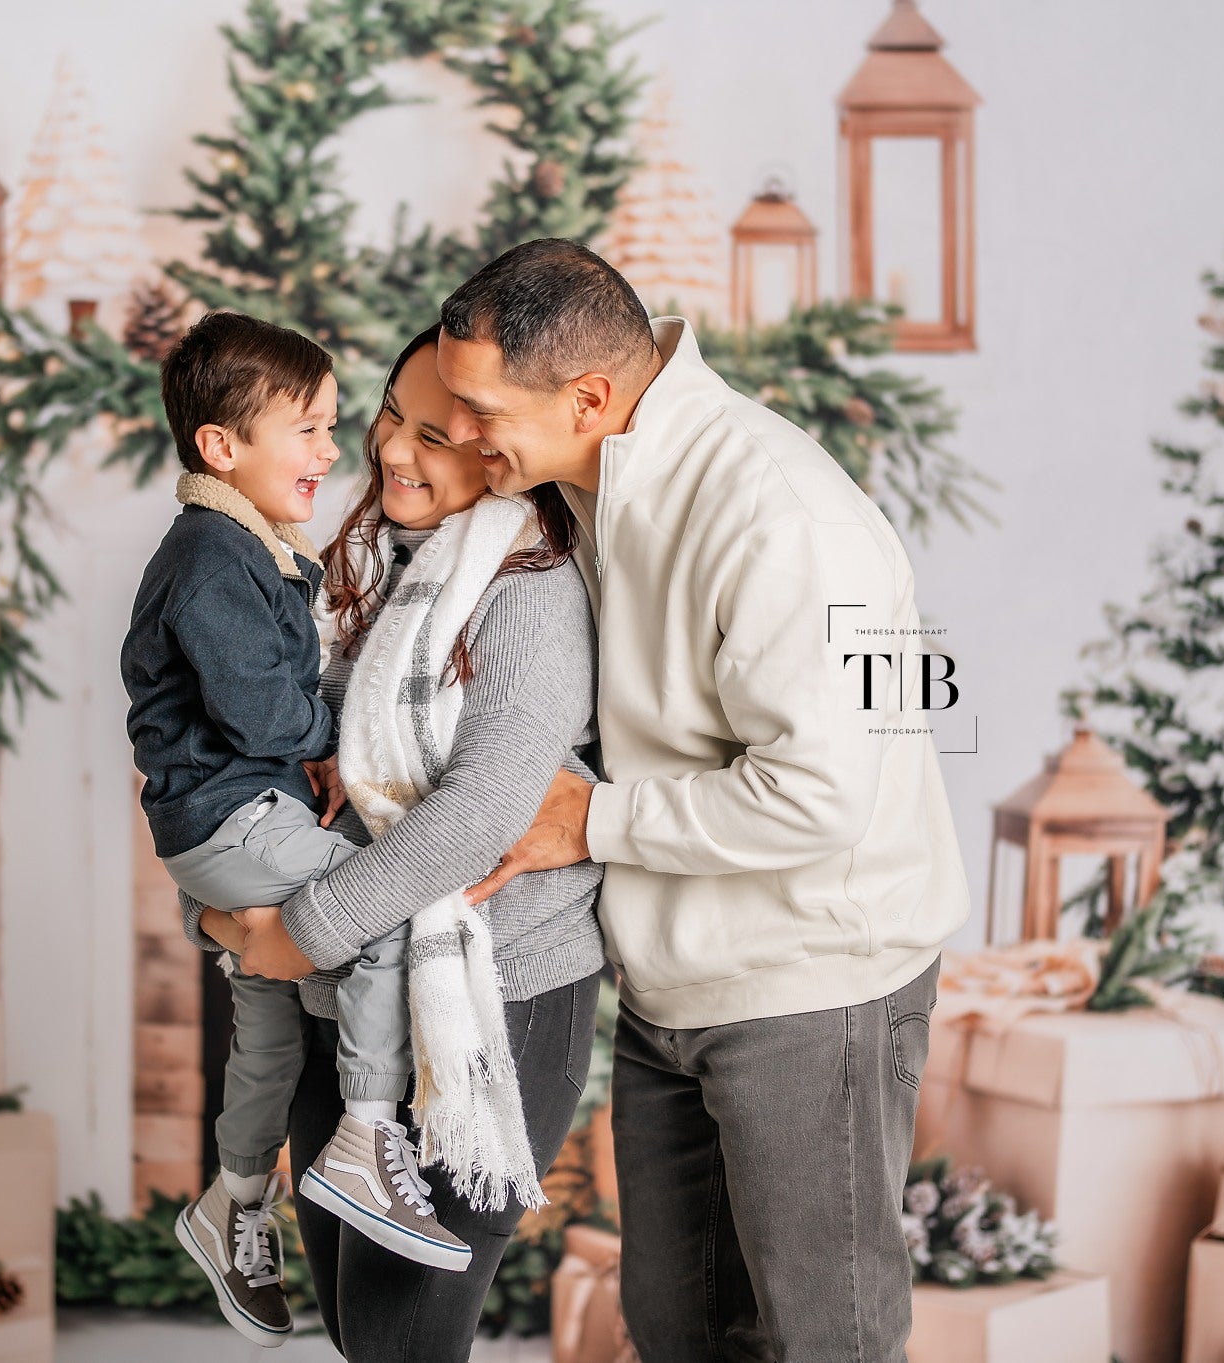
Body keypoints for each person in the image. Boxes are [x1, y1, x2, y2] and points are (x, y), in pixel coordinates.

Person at [435, 238, 973, 1362]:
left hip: (812, 981)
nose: (465, 434)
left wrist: (588, 821)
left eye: (481, 408)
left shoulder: (784, 514)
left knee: (821, 1336)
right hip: (669, 989)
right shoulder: (581, 492)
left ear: (587, 395)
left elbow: (818, 793)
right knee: (677, 1330)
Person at [203, 324, 606, 1361]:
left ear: (498, 454)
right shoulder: (361, 568)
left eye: (434, 435)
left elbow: (478, 813)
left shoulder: (529, 593)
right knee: (354, 1326)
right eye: (390, 414)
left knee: (397, 1340)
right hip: (340, 996)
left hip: (492, 999)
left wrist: (301, 928)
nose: (390, 450)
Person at [120, 312, 467, 1349]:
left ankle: (231, 1200)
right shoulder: (213, 557)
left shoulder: (245, 545)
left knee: (266, 1019)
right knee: (379, 906)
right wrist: (347, 730)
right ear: (220, 448)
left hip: (225, 818)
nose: (331, 452)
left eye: (330, 427)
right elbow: (268, 715)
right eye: (306, 431)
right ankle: (365, 1133)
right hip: (231, 820)